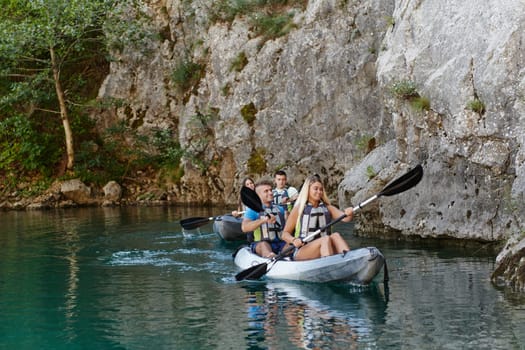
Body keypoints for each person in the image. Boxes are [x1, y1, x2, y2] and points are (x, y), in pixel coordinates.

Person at [281, 175, 352, 260]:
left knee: (335, 235)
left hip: (324, 246)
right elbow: (284, 234)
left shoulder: (327, 207)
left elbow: (345, 218)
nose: (319, 192)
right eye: (316, 189)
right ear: (308, 190)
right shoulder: (299, 209)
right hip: (302, 250)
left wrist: (349, 213)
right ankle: (329, 264)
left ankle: (350, 259)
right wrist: (293, 240)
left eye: (321, 189)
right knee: (325, 239)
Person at [241, 179, 286, 258]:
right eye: (266, 191)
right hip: (261, 243)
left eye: (270, 190)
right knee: (264, 245)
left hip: (280, 243)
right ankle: (270, 256)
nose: (270, 193)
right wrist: (263, 220)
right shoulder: (252, 210)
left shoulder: (280, 209)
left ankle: (287, 257)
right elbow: (245, 227)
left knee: (290, 244)